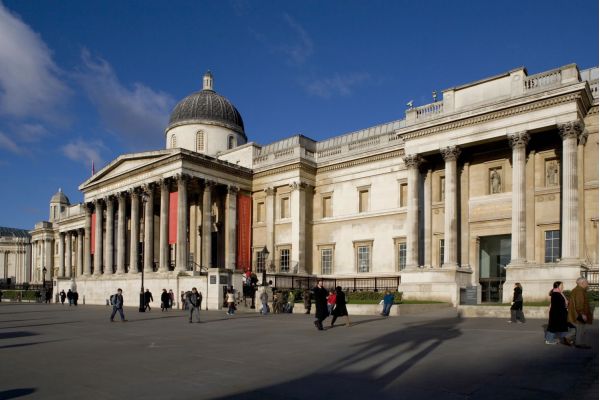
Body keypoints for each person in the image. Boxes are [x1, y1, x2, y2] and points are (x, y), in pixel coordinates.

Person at [567, 278, 593, 349]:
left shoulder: (576, 290)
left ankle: (568, 338)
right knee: (581, 328)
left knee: (576, 328)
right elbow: (579, 303)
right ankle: (579, 343)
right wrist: (582, 313)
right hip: (578, 314)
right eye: (586, 282)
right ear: (582, 283)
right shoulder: (579, 291)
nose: (587, 284)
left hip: (575, 313)